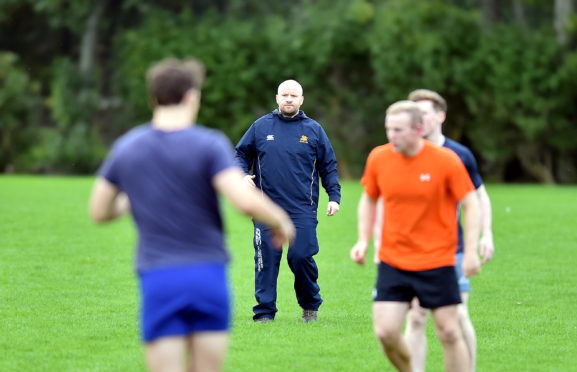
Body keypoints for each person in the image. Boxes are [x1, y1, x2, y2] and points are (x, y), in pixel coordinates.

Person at [89, 58, 295, 372]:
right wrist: (282, 221)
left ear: (152, 98)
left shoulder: (127, 147)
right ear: (191, 97)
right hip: (207, 275)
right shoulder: (209, 144)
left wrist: (131, 200)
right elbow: (245, 202)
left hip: (158, 277)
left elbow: (99, 211)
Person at [350, 100, 481, 372]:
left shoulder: (446, 161)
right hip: (394, 259)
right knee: (385, 332)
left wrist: (470, 253)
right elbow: (369, 199)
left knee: (449, 332)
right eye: (389, 129)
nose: (391, 136)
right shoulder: (379, 157)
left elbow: (471, 204)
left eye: (398, 130)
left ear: (419, 129)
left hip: (437, 260)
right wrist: (363, 240)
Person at [402, 89, 495, 372]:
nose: (418, 120)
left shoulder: (459, 154)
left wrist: (485, 235)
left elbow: (479, 197)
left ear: (440, 116)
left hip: (450, 249)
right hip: (411, 251)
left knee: (456, 318)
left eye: (425, 113)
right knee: (416, 319)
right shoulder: (402, 151)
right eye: (413, 114)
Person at [235, 79, 341, 323]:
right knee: (266, 261)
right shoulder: (261, 127)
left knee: (300, 257)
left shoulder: (313, 130)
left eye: (294, 95)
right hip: (265, 207)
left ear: (301, 100)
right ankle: (264, 313)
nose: (289, 99)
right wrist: (242, 174)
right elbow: (240, 154)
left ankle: (310, 305)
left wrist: (334, 196)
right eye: (285, 95)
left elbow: (329, 166)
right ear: (277, 98)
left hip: (302, 209)